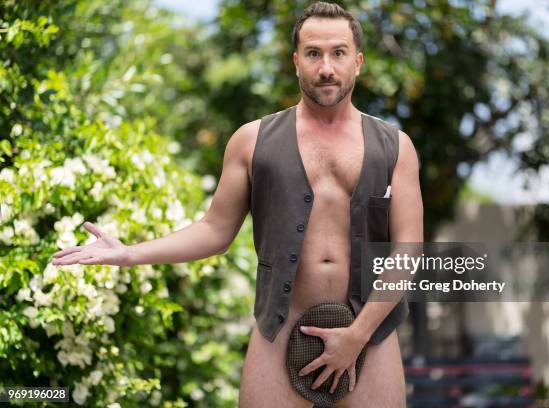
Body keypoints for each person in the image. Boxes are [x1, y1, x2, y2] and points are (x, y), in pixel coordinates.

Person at [52, 2, 423, 407]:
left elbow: (407, 251)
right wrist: (129, 254)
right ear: (296, 61)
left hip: (371, 332)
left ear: (358, 61)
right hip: (279, 330)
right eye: (314, 54)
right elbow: (214, 229)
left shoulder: (396, 147)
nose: (326, 67)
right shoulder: (251, 141)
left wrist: (357, 335)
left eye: (338, 53)